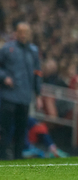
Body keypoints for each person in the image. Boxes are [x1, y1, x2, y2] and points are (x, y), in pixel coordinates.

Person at [0, 22, 43, 160]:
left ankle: (18, 159)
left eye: (26, 32)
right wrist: (4, 77)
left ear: (30, 33)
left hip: (25, 97)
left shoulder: (34, 51)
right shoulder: (7, 49)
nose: (23, 34)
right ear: (16, 33)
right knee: (4, 129)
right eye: (20, 31)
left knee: (21, 130)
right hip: (8, 96)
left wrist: (38, 95)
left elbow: (37, 73)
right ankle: (2, 156)